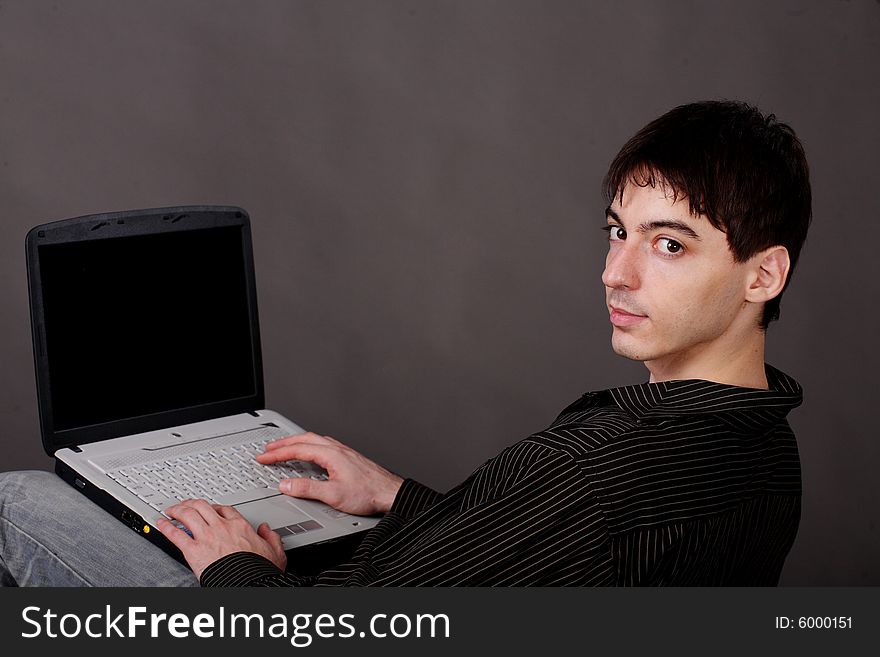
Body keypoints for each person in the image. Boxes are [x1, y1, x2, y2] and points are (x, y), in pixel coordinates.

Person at [0, 99, 811, 586]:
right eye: (616, 232)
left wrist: (231, 565)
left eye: (668, 244)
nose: (616, 274)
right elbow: (547, 564)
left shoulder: (591, 473)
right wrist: (399, 497)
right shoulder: (766, 451)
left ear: (763, 274)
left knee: (19, 500)